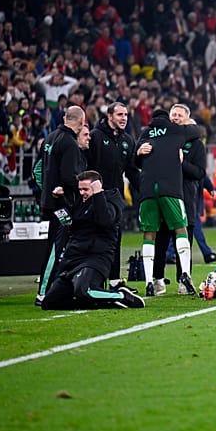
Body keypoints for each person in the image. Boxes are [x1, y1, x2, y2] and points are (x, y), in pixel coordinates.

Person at [41, 170, 144, 310]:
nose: (82, 193)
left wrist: (98, 194)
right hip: (73, 259)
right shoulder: (80, 203)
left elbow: (105, 220)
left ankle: (121, 296)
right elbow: (67, 223)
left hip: (95, 258)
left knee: (85, 290)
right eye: (80, 189)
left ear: (96, 187)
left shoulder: (111, 200)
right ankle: (102, 302)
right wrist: (58, 201)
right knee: (50, 302)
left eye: (85, 189)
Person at [135, 108, 202, 297]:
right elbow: (197, 131)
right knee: (181, 229)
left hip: (148, 190)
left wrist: (139, 151)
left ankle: (149, 281)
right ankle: (186, 275)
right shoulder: (176, 131)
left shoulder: (145, 133)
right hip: (170, 189)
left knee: (150, 234)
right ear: (168, 118)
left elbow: (135, 161)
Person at [151, 104, 209, 296]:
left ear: (186, 119)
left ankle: (184, 280)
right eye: (173, 114)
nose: (175, 117)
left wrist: (183, 162)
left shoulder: (196, 144)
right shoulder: (162, 140)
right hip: (165, 196)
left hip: (185, 198)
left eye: (179, 115)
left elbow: (200, 173)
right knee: (161, 241)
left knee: (184, 243)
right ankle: (157, 280)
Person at [86, 102, 141, 289]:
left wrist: (145, 190)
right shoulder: (94, 137)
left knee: (115, 239)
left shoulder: (128, 140)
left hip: (115, 197)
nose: (124, 118)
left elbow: (132, 171)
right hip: (96, 197)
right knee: (96, 238)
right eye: (119, 115)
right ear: (109, 116)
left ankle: (115, 280)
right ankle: (94, 279)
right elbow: (86, 168)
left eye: (125, 114)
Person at [36, 105, 86, 306]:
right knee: (57, 248)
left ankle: (54, 288)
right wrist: (82, 185)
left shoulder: (50, 138)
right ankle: (43, 292)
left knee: (56, 246)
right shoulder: (69, 143)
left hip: (49, 201)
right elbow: (68, 177)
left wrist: (46, 190)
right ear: (81, 121)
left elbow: (38, 170)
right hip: (61, 205)